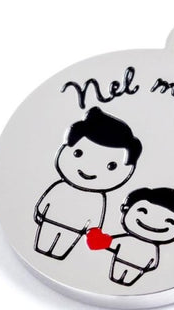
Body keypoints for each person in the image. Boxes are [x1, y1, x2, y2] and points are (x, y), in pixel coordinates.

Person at [34, 107, 142, 260]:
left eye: (111, 166)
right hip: (51, 222)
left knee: (59, 252)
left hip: (73, 231)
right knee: (42, 245)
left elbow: (94, 224)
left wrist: (94, 235)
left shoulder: (97, 199)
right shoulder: (62, 187)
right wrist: (40, 213)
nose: (90, 168)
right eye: (78, 153)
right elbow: (47, 201)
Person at [88, 187, 174, 286]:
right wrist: (97, 239)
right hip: (120, 265)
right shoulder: (127, 240)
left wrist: (146, 267)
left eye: (169, 221)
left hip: (137, 269)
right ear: (125, 209)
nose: (153, 222)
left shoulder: (148, 249)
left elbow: (153, 263)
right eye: (143, 211)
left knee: (126, 280)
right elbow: (107, 243)